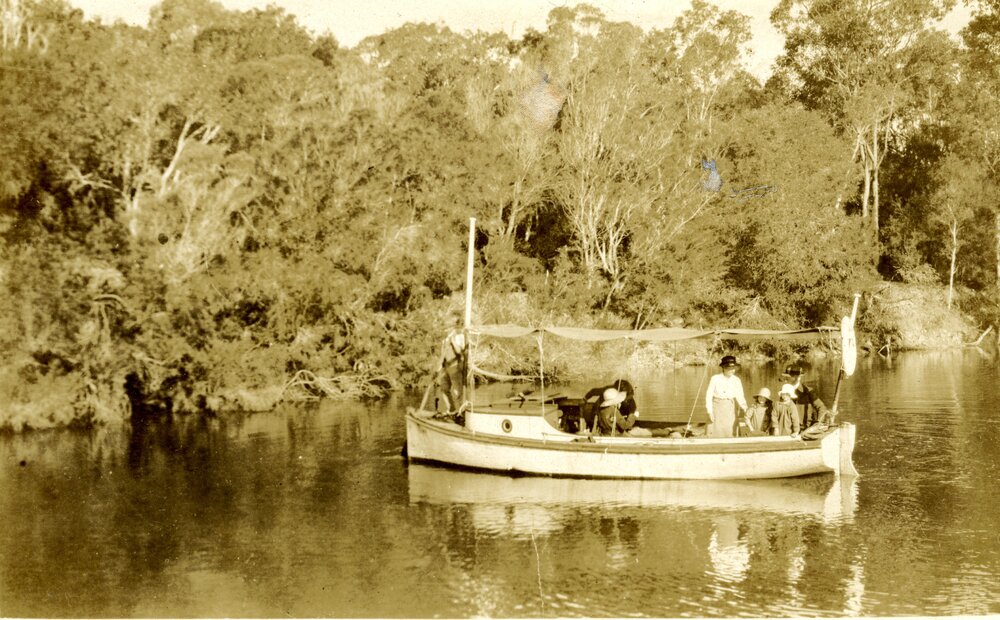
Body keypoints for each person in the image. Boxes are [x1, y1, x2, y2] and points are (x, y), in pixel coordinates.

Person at [704, 355, 748, 438]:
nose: (732, 370)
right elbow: (708, 396)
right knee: (714, 430)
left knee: (730, 431)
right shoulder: (715, 378)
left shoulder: (736, 380)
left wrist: (744, 407)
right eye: (729, 368)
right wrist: (709, 411)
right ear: (724, 368)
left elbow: (740, 396)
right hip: (717, 407)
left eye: (733, 368)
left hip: (730, 408)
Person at [434, 330, 467, 414]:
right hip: (445, 367)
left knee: (457, 392)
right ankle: (451, 409)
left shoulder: (459, 337)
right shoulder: (444, 340)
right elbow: (442, 355)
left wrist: (452, 341)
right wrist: (438, 369)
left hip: (455, 367)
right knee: (444, 388)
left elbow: (460, 352)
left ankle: (462, 411)